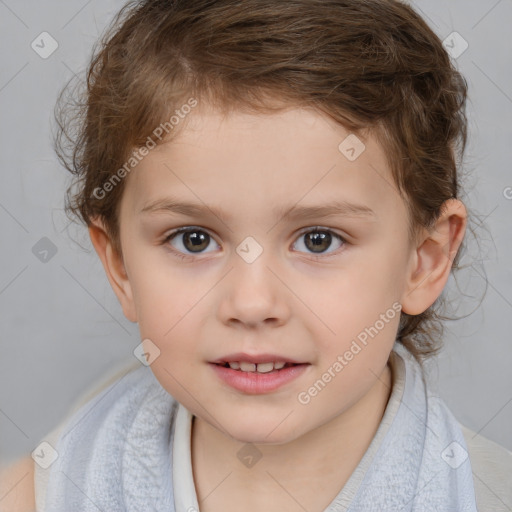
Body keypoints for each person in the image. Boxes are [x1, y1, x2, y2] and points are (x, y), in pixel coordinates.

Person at [1, 0, 511, 510]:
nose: (251, 303)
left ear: (424, 259)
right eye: (193, 239)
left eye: (318, 239)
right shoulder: (39, 494)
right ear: (121, 268)